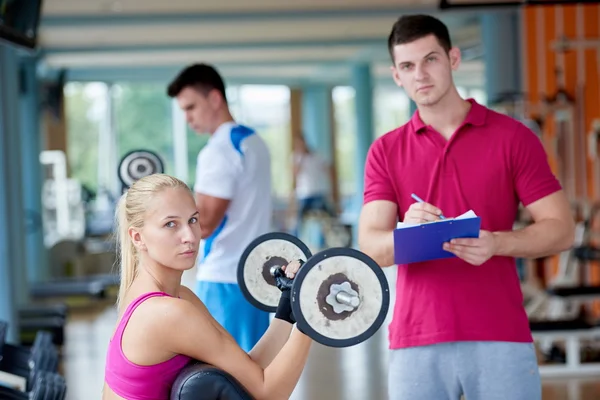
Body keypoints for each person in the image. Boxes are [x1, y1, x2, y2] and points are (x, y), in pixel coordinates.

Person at [358, 14, 575, 400]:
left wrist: (496, 243)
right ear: (396, 76)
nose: (420, 75)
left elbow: (561, 228)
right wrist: (408, 232)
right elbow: (371, 248)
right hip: (416, 338)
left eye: (431, 60)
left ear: (453, 59)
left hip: (499, 332)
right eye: (408, 66)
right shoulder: (386, 151)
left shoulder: (513, 138)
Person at [102, 174, 312, 400]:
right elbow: (268, 394)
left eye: (192, 220)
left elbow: (248, 369)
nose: (189, 236)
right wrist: (311, 318)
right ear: (137, 237)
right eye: (170, 224)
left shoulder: (178, 297)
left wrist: (287, 309)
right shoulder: (166, 313)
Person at [166, 63, 272, 352]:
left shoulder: (219, 151)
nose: (188, 118)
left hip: (225, 278)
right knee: (253, 369)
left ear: (215, 98)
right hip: (254, 276)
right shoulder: (254, 142)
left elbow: (206, 223)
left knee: (225, 378)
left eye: (191, 107)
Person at [289, 133, 337, 238]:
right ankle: (294, 240)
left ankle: (333, 237)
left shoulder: (317, 156)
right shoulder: (295, 157)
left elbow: (328, 170)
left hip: (319, 192)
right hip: (304, 194)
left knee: (330, 217)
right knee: (297, 221)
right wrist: (301, 157)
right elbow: (294, 173)